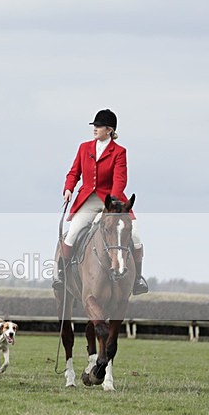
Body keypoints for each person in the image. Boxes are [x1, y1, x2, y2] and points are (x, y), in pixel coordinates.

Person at [53, 109, 148, 295]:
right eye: (94, 126)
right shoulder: (84, 148)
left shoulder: (120, 152)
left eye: (99, 126)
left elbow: (120, 179)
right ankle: (61, 274)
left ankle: (138, 279)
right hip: (88, 199)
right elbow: (74, 172)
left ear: (109, 130)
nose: (95, 129)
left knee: (135, 235)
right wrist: (68, 188)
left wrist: (112, 202)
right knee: (72, 233)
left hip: (112, 200)